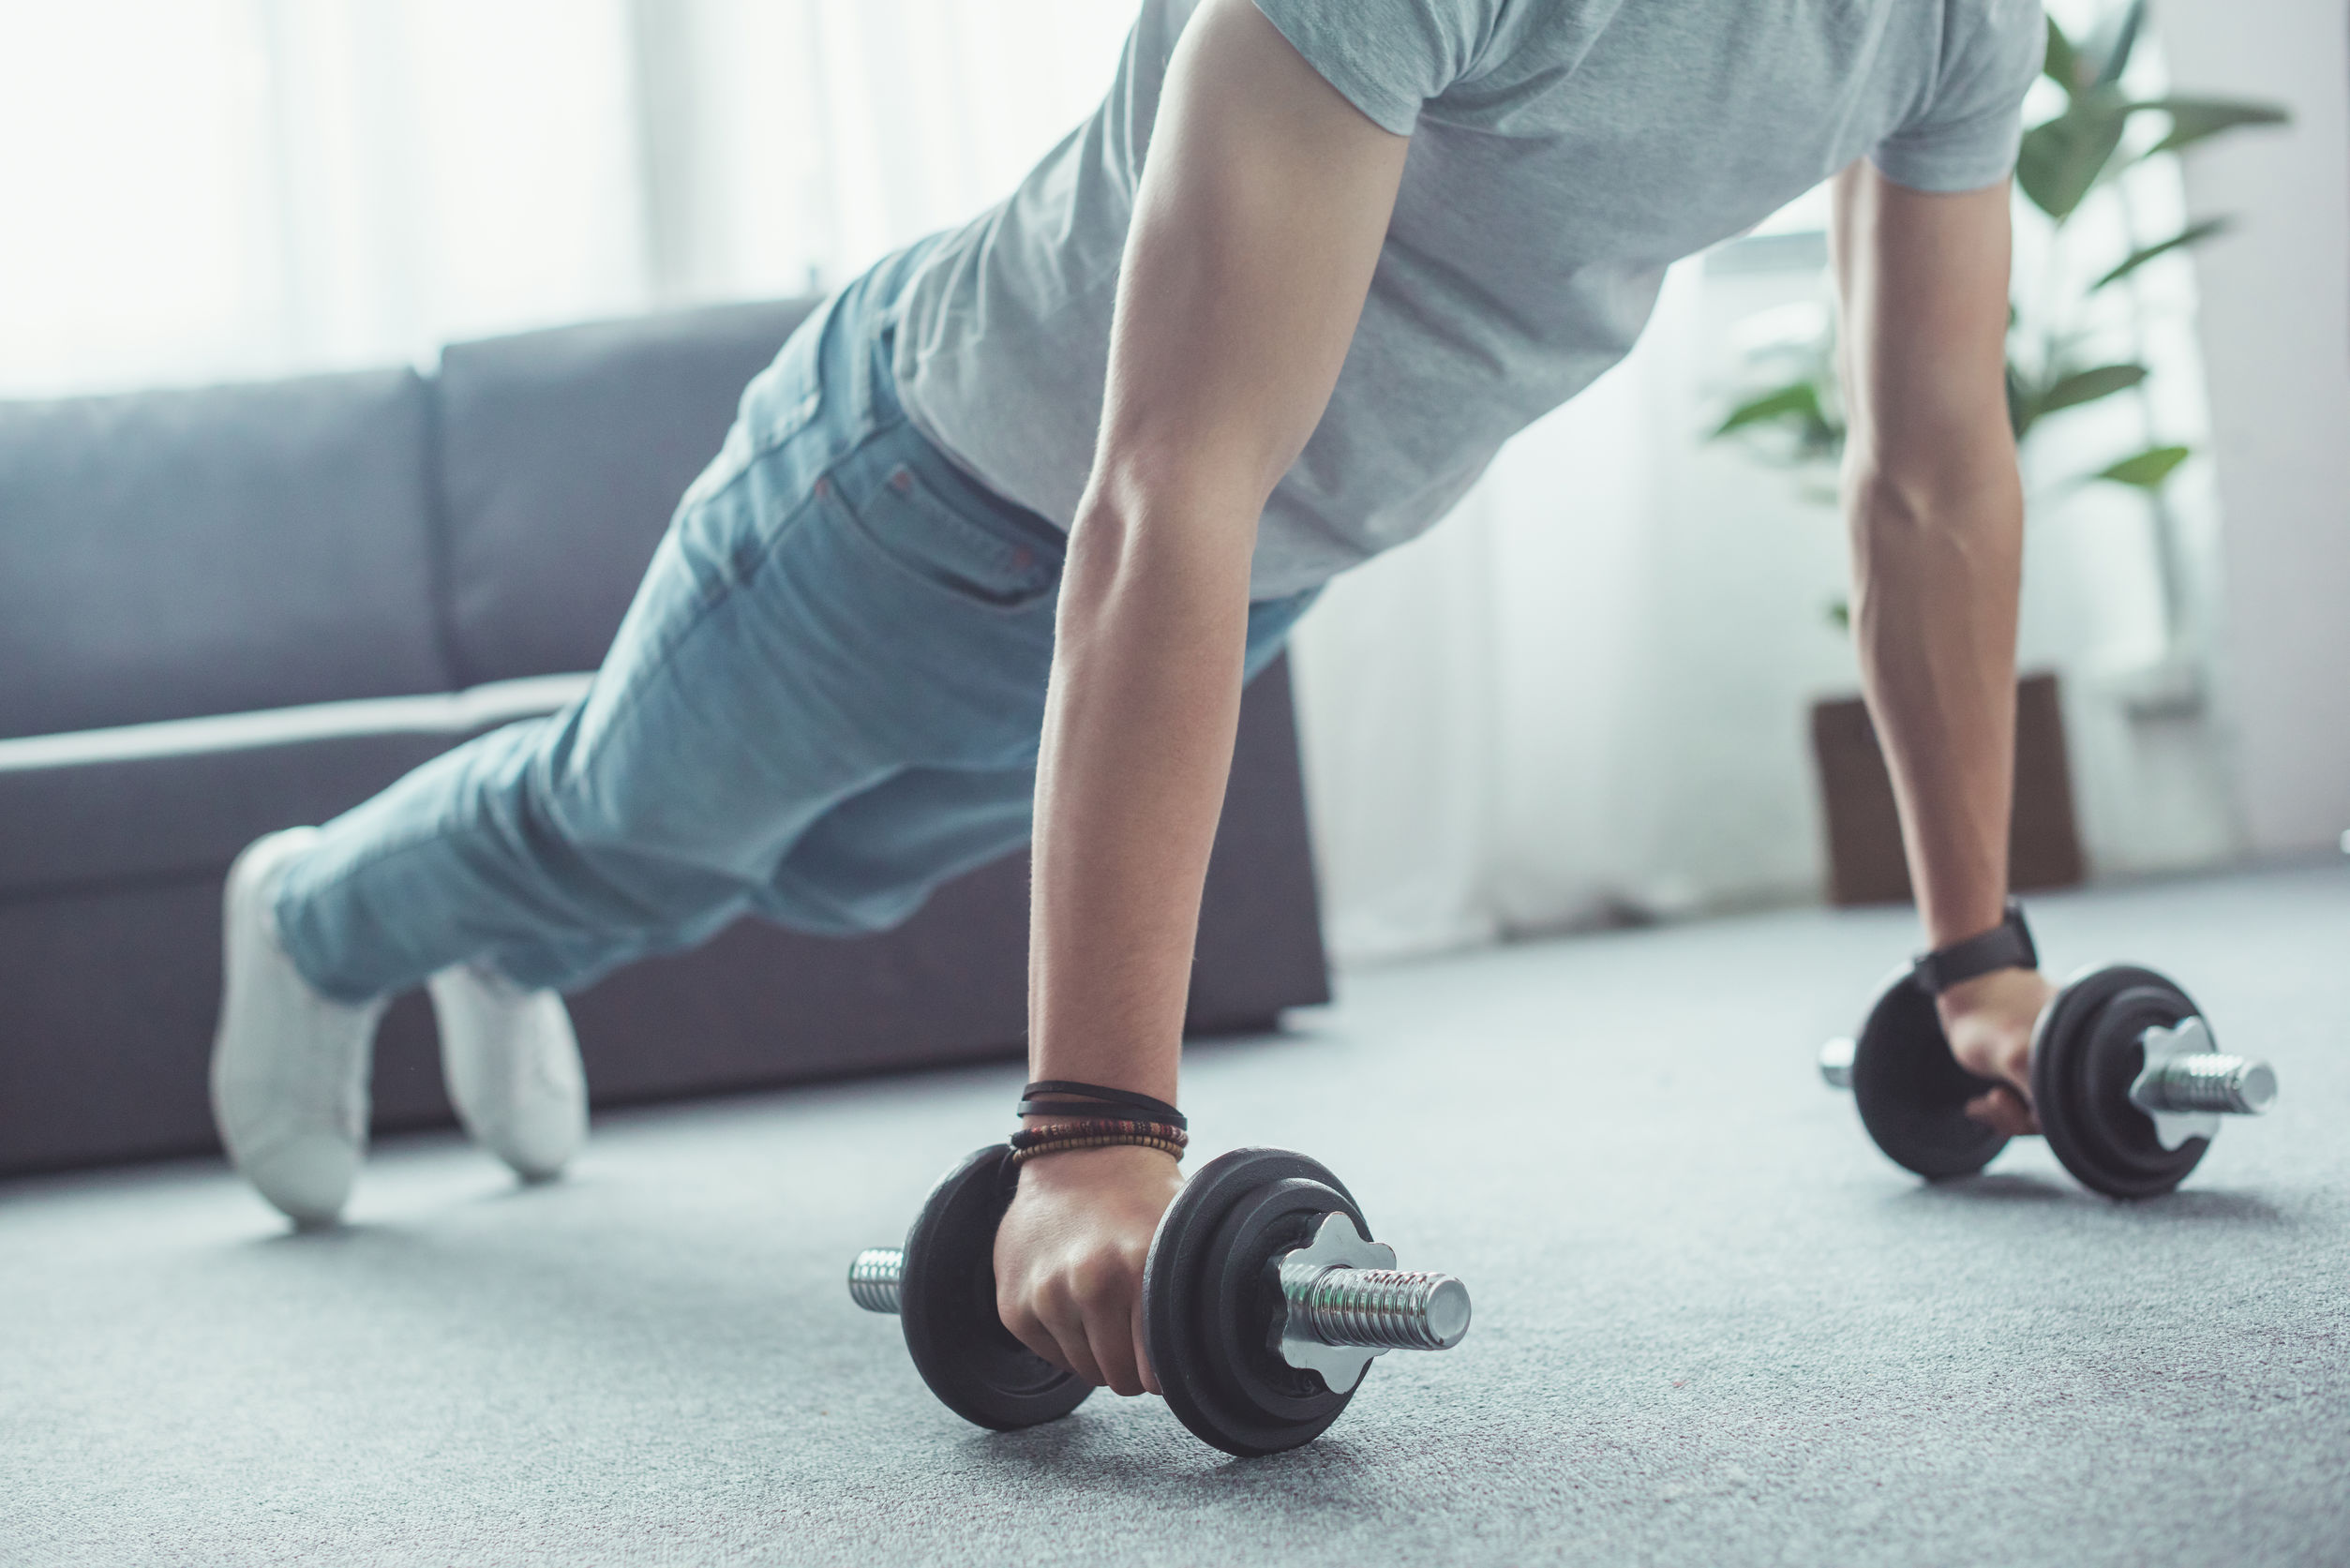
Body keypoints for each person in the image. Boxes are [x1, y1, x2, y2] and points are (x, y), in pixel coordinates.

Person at [212, 0, 2053, 1398]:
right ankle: (312, 917)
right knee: (626, 825)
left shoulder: (1957, 22)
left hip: (1236, 577)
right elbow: (1170, 475)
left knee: (822, 874)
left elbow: (1936, 479)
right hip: (927, 493)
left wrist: (1978, 961)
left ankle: (511, 944)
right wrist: (1093, 1133)